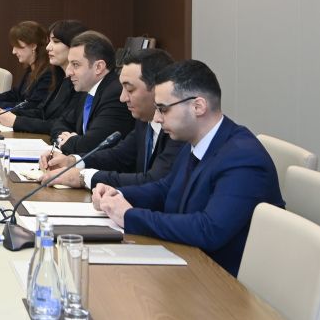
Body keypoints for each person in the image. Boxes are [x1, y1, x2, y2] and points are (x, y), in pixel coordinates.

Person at [92, 60, 284, 277]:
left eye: (163, 109)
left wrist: (129, 216)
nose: (156, 118)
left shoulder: (242, 158)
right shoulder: (194, 141)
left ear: (198, 107)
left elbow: (208, 229)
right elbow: (166, 189)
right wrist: (117, 195)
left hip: (221, 281)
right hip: (191, 262)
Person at [39, 48, 184, 189]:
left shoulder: (179, 130)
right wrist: (72, 161)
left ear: (158, 88)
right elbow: (119, 156)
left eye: (130, 89)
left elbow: (153, 180)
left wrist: (82, 177)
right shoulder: (144, 120)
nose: (122, 98)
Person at [0, 20, 87, 133]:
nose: (48, 47)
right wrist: (7, 113)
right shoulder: (60, 75)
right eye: (49, 41)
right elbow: (42, 112)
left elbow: (64, 125)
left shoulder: (81, 83)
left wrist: (16, 121)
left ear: (74, 46)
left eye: (56, 42)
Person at [49, 30, 133, 155]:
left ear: (98, 67)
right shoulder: (87, 89)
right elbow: (60, 124)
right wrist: (68, 140)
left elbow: (90, 146)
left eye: (75, 65)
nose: (68, 72)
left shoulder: (115, 95)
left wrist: (71, 142)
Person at [0, 21, 54, 113]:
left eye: (17, 46)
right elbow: (14, 95)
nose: (13, 51)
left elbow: (30, 106)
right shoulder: (32, 68)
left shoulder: (47, 74)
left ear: (33, 46)